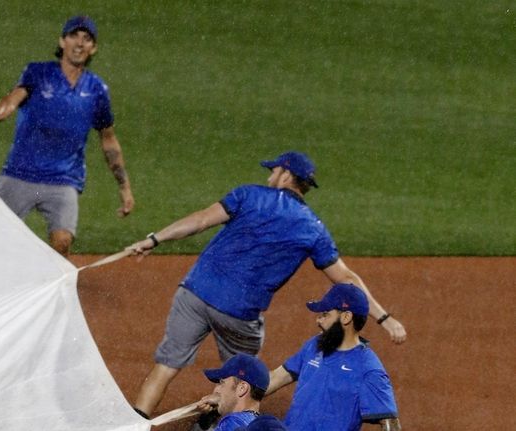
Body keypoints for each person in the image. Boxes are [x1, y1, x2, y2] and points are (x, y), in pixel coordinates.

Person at [127, 151, 407, 417]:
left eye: (274, 170)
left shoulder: (248, 194)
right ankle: (216, 424)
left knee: (165, 367)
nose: (270, 175)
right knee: (240, 383)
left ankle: (136, 422)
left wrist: (154, 239)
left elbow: (200, 220)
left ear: (286, 175)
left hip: (195, 293)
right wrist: (384, 318)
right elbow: (347, 279)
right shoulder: (312, 228)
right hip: (239, 313)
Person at [0, 15, 134, 256]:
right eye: (74, 36)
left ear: (93, 48)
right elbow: (11, 100)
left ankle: (47, 292)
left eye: (87, 39)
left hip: (63, 180)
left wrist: (124, 187)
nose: (79, 43)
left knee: (62, 243)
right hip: (20, 174)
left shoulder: (97, 90)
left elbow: (108, 139)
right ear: (62, 42)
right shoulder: (38, 73)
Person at [265, 283, 401, 430]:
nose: (318, 320)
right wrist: (242, 394)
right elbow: (277, 377)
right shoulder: (314, 345)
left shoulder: (367, 367)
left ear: (346, 317)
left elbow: (391, 425)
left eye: (325, 315)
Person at [194, 353, 286, 431]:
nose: (216, 390)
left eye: (222, 383)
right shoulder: (261, 424)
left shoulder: (231, 422)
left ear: (242, 388)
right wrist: (210, 415)